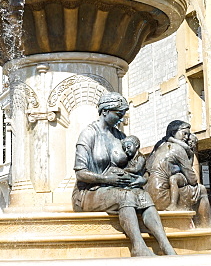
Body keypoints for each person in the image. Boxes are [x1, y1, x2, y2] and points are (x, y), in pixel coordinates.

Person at [72, 92, 176, 257]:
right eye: (118, 114)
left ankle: (166, 246)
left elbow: (140, 165)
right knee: (125, 197)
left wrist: (142, 178)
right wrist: (106, 179)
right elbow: (81, 174)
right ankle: (138, 246)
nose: (121, 119)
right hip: (88, 192)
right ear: (105, 111)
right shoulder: (88, 134)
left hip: (117, 187)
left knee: (143, 196)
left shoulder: (120, 136)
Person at [146, 120, 211, 228]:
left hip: (149, 194)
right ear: (173, 133)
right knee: (201, 190)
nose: (186, 137)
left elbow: (148, 166)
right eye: (184, 133)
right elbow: (192, 179)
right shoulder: (178, 149)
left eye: (188, 134)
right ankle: (207, 229)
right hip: (162, 196)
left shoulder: (159, 146)